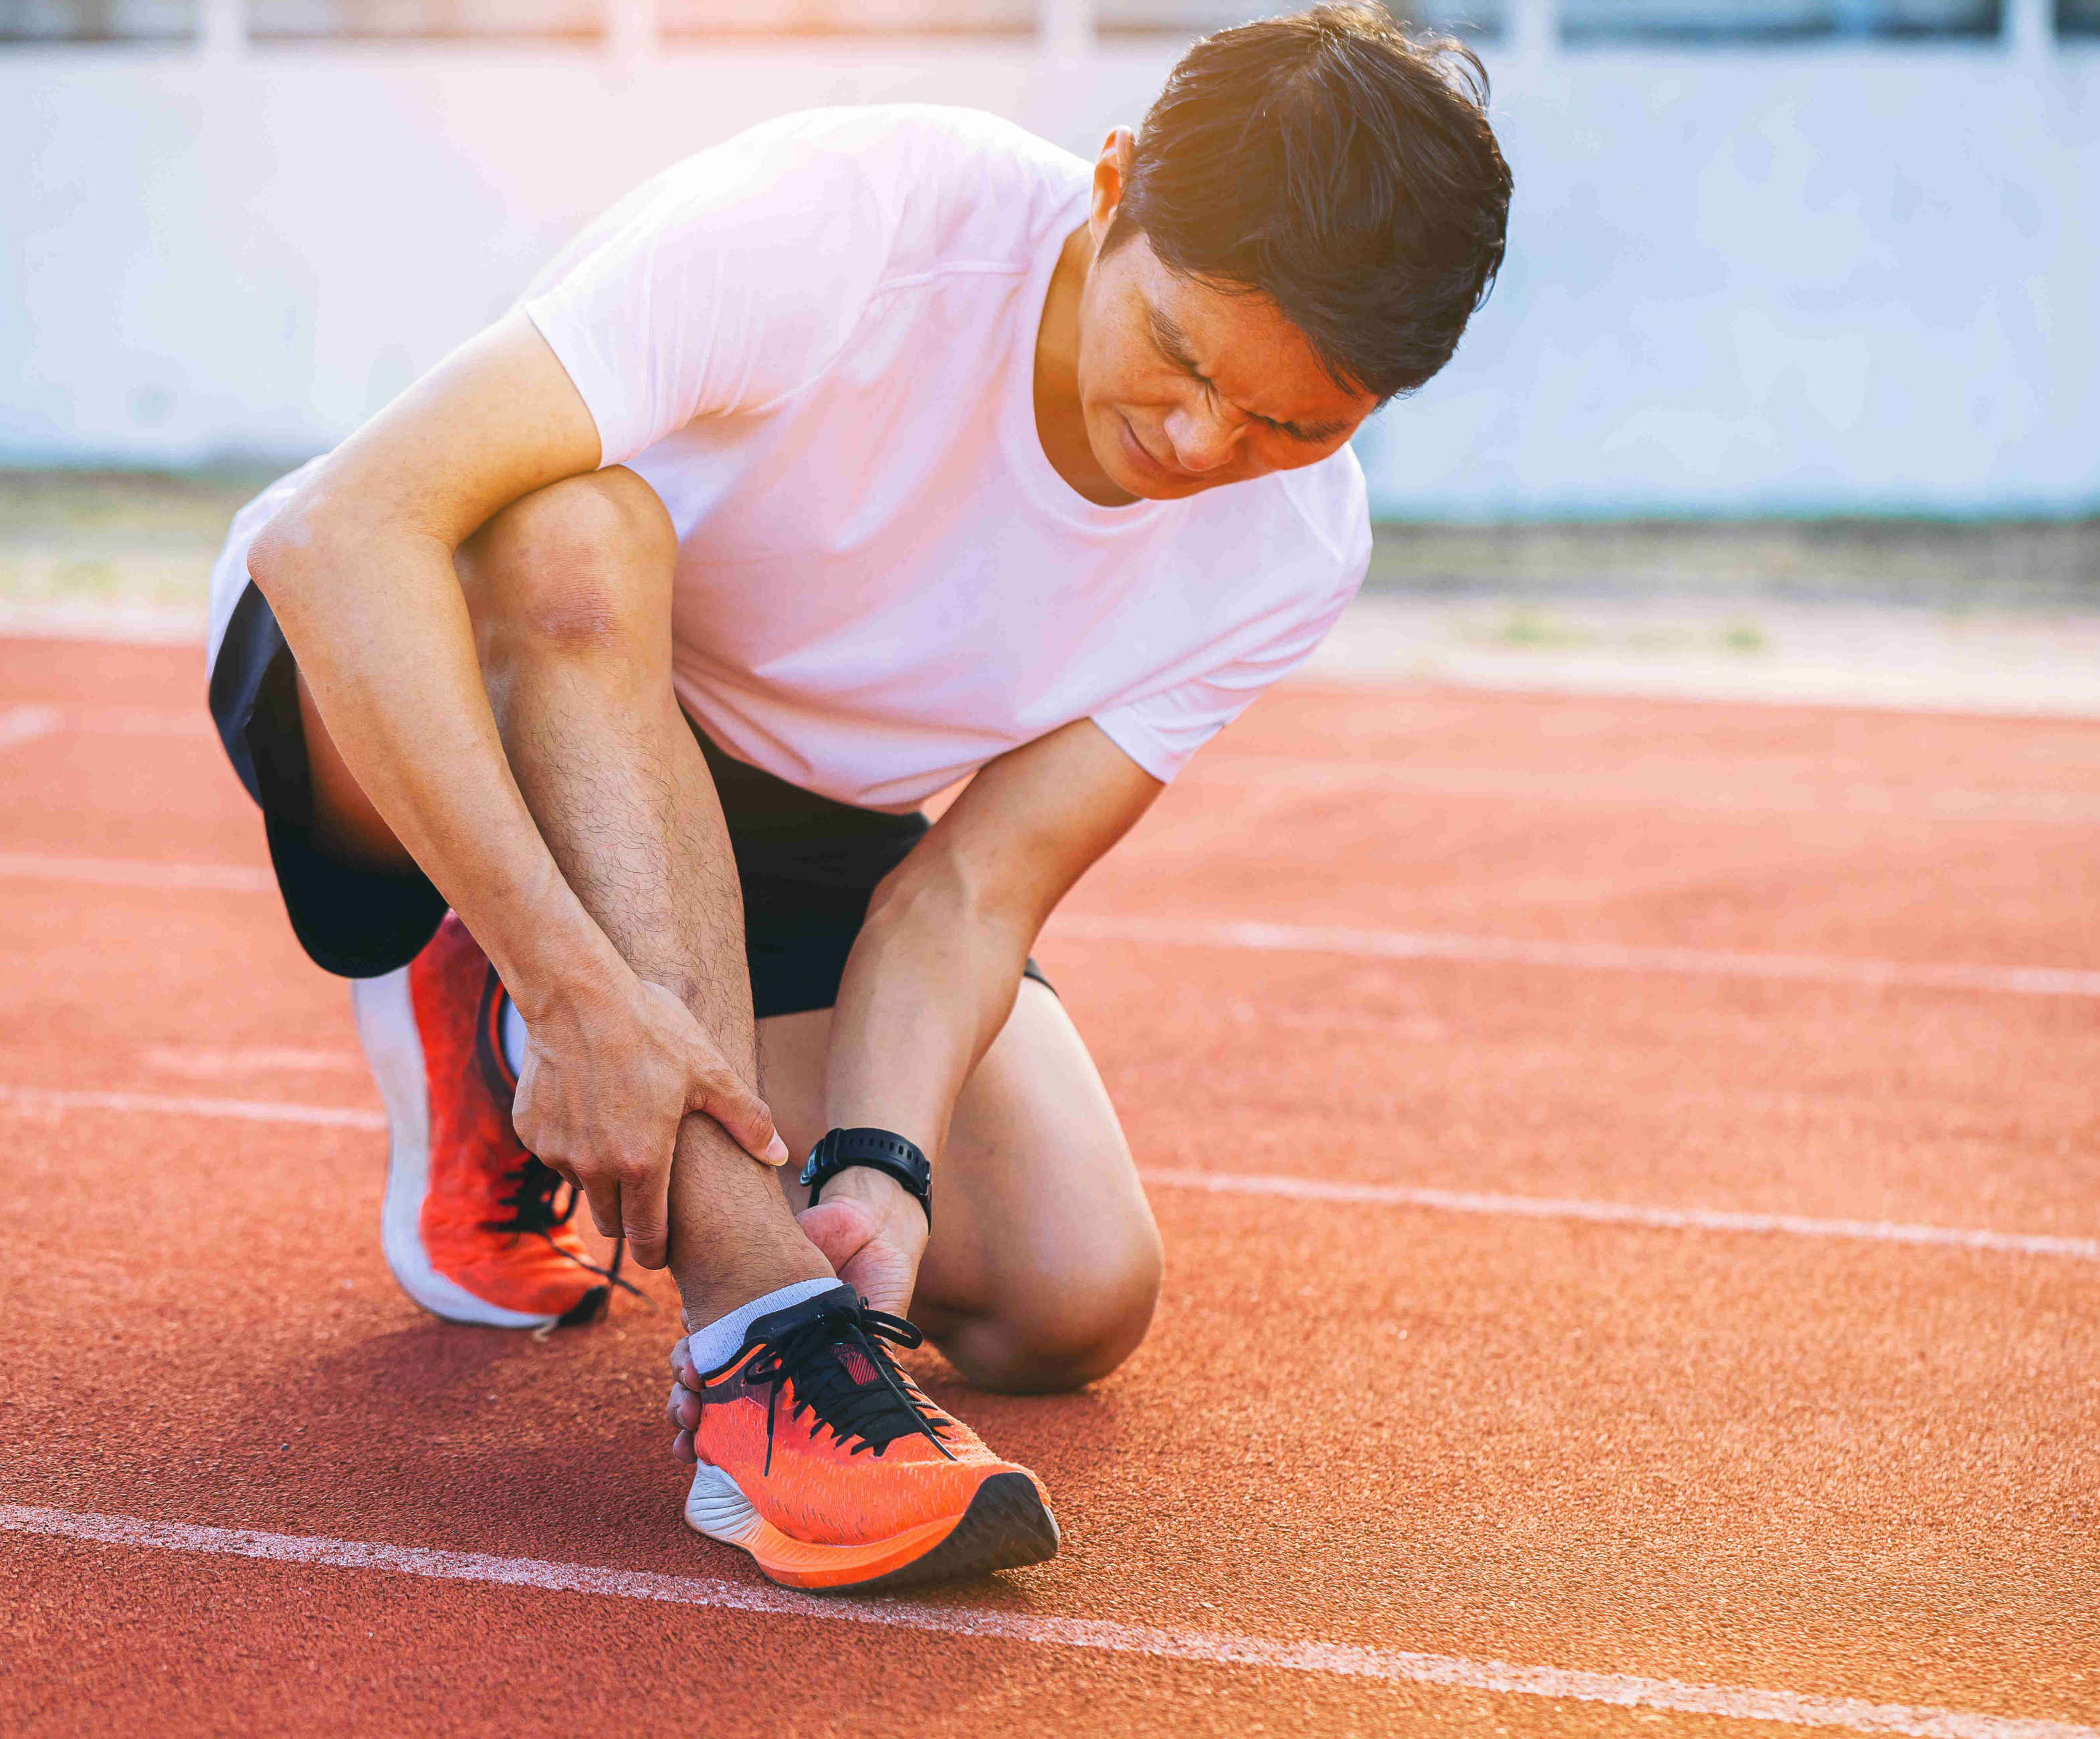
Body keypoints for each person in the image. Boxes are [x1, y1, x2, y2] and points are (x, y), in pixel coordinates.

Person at [204, 2, 1511, 1592]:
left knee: (1069, 1292)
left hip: (778, 801)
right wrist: (582, 982)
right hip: (430, 658)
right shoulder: (855, 221)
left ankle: (529, 1023)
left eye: (1293, 423)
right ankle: (757, 1355)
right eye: (1177, 355)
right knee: (583, 531)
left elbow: (970, 891)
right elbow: (341, 533)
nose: (1197, 442)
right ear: (1111, 190)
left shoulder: (1292, 548)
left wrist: (882, 1169)